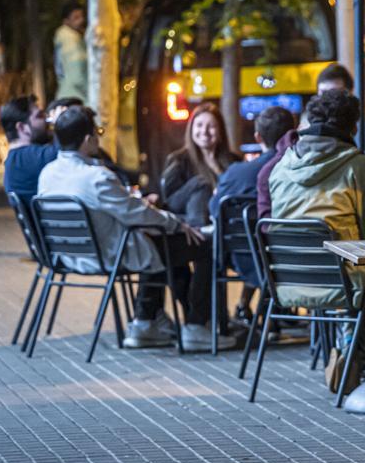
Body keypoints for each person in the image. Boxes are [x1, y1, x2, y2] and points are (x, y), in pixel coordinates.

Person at [36, 107, 226, 351]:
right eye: (97, 132)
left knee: (159, 241)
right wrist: (176, 223)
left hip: (66, 255)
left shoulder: (47, 174)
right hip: (107, 254)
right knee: (201, 243)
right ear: (87, 140)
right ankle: (196, 325)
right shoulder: (96, 177)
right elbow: (137, 212)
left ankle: (146, 321)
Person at [268, 89, 365, 366]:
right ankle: (363, 350)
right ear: (353, 127)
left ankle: (350, 349)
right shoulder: (360, 167)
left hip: (289, 283)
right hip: (345, 286)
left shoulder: (279, 168)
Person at [209, 106, 296, 326]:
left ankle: (241, 315)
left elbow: (213, 209)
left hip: (240, 255)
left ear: (258, 137)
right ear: (293, 133)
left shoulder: (236, 173)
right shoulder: (297, 170)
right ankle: (270, 316)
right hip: (291, 257)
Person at [161, 103, 239, 228]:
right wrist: (198, 185)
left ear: (220, 130)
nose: (204, 131)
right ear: (191, 128)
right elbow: (170, 204)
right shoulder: (178, 160)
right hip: (194, 229)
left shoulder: (235, 161)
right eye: (199, 125)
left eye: (211, 126)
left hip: (229, 227)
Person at [315, 62, 365, 173]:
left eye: (335, 93)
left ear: (349, 93)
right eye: (324, 92)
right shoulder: (309, 132)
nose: (328, 99)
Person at [0, 95, 57, 206]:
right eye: (40, 116)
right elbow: (70, 148)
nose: (46, 119)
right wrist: (61, 122)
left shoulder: (16, 159)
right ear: (22, 127)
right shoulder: (29, 157)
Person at [53, 1, 88, 103]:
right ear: (66, 22)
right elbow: (77, 75)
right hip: (76, 97)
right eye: (76, 18)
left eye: (82, 16)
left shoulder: (64, 39)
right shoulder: (70, 40)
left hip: (67, 94)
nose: (81, 20)